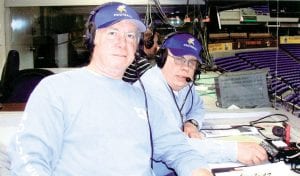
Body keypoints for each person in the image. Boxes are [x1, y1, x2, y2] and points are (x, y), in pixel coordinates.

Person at [8, 2, 212, 176]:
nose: (122, 43)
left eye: (130, 36)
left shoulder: (143, 99)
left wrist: (198, 170)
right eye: (112, 32)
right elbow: (29, 159)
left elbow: (178, 150)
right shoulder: (56, 90)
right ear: (92, 38)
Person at [134, 32, 268, 175]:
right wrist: (234, 151)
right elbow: (172, 146)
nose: (185, 68)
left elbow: (197, 106)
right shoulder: (150, 91)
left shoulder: (183, 83)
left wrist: (192, 123)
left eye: (191, 62)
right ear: (162, 58)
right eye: (179, 59)